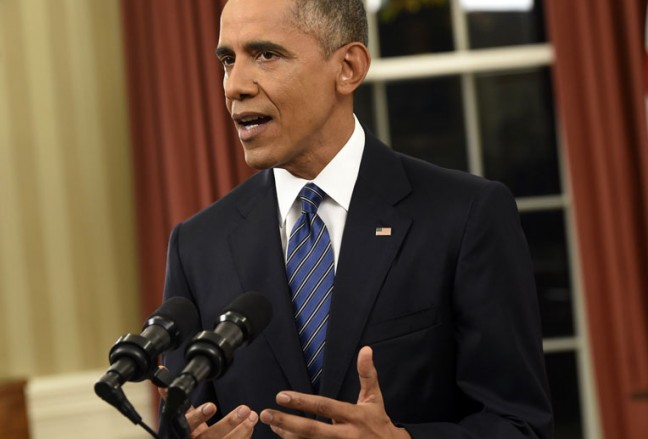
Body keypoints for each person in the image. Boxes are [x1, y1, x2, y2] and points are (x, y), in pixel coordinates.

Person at [161, 0, 554, 437]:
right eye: (227, 60)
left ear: (348, 67)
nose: (234, 85)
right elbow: (183, 422)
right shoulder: (196, 247)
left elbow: (521, 426)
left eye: (266, 55)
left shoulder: (466, 216)